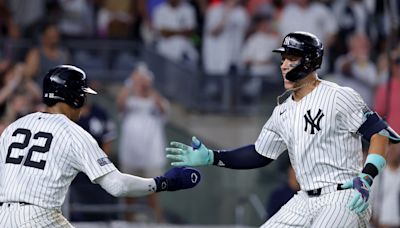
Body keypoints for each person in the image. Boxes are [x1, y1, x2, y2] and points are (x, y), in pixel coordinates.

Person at [166, 31, 400, 227]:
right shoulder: (282, 111)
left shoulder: (338, 95)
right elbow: (259, 154)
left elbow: (379, 133)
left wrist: (367, 176)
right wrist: (211, 157)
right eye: (283, 59)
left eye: (291, 58)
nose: (284, 64)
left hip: (343, 196)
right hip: (304, 199)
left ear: (309, 61)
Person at [0, 65, 201, 227]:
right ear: (75, 97)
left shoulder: (13, 128)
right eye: (83, 94)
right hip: (39, 218)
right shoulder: (73, 133)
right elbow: (118, 185)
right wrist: (164, 182)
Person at [117, 63, 169, 222]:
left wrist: (148, 88)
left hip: (152, 158)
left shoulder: (156, 100)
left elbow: (163, 109)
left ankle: (157, 223)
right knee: (129, 197)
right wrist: (131, 83)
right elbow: (119, 103)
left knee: (153, 196)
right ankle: (128, 223)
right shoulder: (129, 102)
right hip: (130, 156)